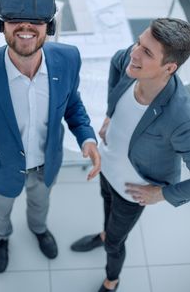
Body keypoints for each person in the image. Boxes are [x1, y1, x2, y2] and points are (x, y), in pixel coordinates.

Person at [0, 0, 100, 273]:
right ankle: (1, 237)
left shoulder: (69, 58)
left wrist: (87, 137)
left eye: (35, 19)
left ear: (49, 25)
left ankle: (38, 229)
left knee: (40, 205)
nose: (26, 27)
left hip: (46, 164)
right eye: (14, 19)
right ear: (1, 24)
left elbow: (72, 103)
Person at [71, 18, 190, 292]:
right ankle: (104, 233)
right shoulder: (131, 61)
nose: (134, 52)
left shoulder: (181, 117)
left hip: (133, 191)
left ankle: (111, 281)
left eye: (147, 52)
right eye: (139, 42)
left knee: (116, 242)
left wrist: (160, 194)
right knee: (105, 202)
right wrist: (111, 113)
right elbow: (116, 61)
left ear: (169, 67)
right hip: (107, 164)